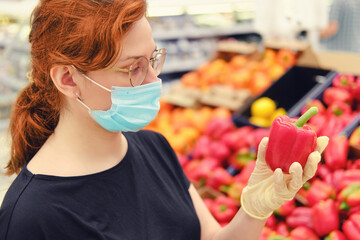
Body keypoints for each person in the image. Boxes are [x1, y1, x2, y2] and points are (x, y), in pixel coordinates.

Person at [0, 0, 329, 239]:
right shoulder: (33, 217)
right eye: (133, 68)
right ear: (69, 80)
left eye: (153, 59)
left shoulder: (154, 148)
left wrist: (255, 208)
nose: (153, 79)